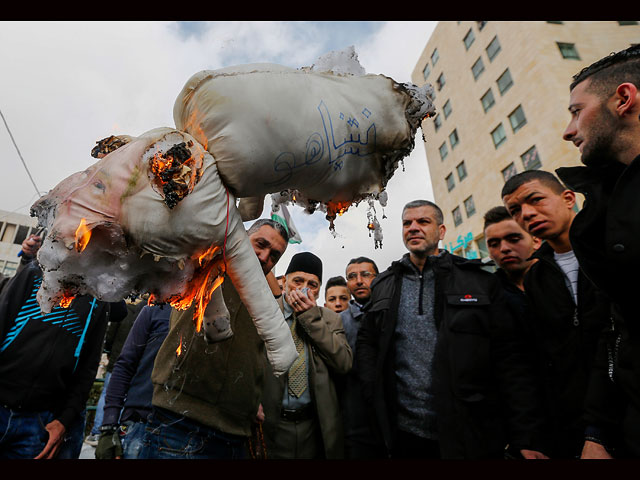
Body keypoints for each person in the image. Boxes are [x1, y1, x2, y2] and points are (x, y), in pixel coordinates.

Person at [356, 199, 546, 459]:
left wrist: (526, 435)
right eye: (407, 223)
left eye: (423, 222)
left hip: (469, 430)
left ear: (441, 231)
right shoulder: (384, 284)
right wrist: (372, 390)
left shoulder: (478, 281)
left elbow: (510, 359)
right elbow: (367, 342)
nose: (413, 228)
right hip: (404, 435)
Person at [140, 218, 289, 459]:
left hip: (235, 433)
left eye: (274, 256)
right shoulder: (205, 262)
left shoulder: (267, 305)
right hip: (179, 421)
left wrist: (252, 399)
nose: (264, 257)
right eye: (260, 244)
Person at [557, 43, 640, 458]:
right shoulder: (605, 210)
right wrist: (600, 431)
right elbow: (620, 332)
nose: (568, 131)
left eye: (576, 111)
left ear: (623, 98)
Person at [501, 170, 611, 458]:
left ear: (568, 198)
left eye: (535, 200)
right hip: (571, 429)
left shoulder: (613, 251)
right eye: (515, 211)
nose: (526, 214)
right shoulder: (536, 278)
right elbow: (533, 362)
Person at [0, 258, 127, 459]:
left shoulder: (98, 297)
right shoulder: (37, 271)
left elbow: (88, 368)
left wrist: (64, 421)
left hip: (39, 423)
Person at [261, 252, 353, 459]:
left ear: (319, 291)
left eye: (312, 284)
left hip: (312, 429)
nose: (304, 288)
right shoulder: (265, 312)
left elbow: (344, 363)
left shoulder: (329, 319)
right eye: (298, 281)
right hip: (271, 426)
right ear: (284, 282)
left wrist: (310, 318)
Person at [95, 304, 171, 459]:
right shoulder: (155, 309)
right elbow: (125, 365)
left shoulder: (212, 315)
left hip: (184, 431)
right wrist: (108, 426)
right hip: (140, 424)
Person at [337, 256, 385, 459]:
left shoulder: (390, 313)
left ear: (377, 278)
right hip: (354, 414)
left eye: (366, 275)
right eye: (352, 276)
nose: (358, 281)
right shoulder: (338, 321)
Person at [85, 297, 144, 446]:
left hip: (117, 359)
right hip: (134, 362)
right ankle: (119, 432)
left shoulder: (124, 311)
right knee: (125, 396)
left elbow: (111, 334)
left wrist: (110, 351)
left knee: (107, 394)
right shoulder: (145, 310)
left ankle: (99, 431)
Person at [483, 206, 541, 322]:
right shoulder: (486, 294)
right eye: (494, 244)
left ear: (536, 241)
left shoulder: (563, 277)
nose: (504, 248)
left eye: (514, 240)